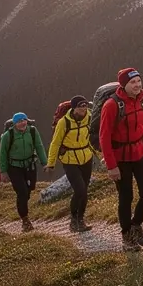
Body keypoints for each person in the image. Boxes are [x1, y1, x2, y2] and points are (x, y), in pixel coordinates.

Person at [99, 68, 143, 253]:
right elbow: (104, 137)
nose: (137, 85)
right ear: (124, 85)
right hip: (121, 157)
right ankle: (127, 236)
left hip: (141, 152)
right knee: (126, 197)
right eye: (133, 82)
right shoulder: (111, 105)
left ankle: (136, 225)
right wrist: (111, 166)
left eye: (139, 81)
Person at [47, 96, 93, 233]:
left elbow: (93, 138)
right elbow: (55, 143)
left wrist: (102, 156)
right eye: (80, 107)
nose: (84, 109)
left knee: (84, 191)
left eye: (85, 106)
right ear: (74, 108)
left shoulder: (90, 118)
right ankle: (74, 219)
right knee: (80, 189)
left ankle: (80, 219)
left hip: (86, 157)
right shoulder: (64, 122)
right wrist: (51, 163)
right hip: (69, 159)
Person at [0, 113, 47, 232]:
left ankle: (23, 207)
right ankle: (25, 219)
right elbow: (2, 154)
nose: (22, 123)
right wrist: (3, 171)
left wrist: (45, 163)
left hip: (29, 165)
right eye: (19, 121)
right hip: (14, 167)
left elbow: (39, 146)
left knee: (29, 189)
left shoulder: (32, 131)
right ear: (14, 123)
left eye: (24, 120)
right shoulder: (8, 135)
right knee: (22, 192)